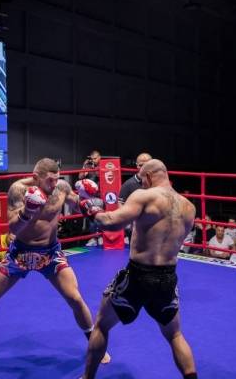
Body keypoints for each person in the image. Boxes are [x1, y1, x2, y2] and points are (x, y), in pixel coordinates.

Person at [0, 158, 110, 364]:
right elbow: (13, 228)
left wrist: (87, 201)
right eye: (50, 180)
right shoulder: (18, 190)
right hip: (21, 253)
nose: (54, 184)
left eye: (57, 179)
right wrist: (27, 211)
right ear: (36, 177)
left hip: (50, 253)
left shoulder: (61, 188)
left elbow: (76, 205)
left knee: (75, 298)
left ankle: (94, 344)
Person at [79, 159, 197, 379]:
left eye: (142, 179)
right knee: (175, 335)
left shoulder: (144, 196)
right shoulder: (189, 207)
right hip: (168, 277)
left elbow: (111, 222)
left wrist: (91, 210)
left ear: (149, 176)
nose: (141, 183)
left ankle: (87, 378)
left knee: (101, 325)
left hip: (139, 275)